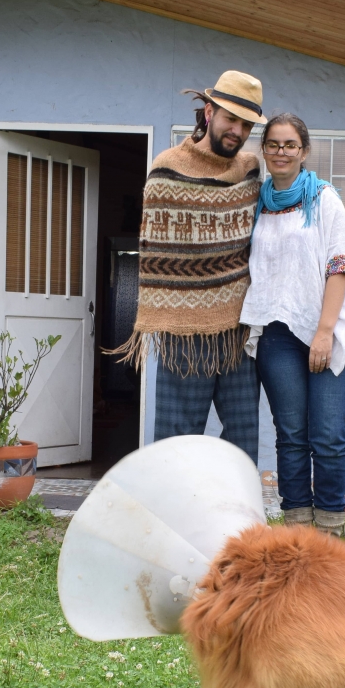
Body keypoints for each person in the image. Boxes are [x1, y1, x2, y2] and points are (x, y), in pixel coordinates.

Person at [113, 70, 265, 464]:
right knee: (176, 442)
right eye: (231, 118)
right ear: (209, 111)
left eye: (246, 124)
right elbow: (157, 251)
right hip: (184, 332)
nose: (237, 130)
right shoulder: (167, 167)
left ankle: (238, 522)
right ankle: (171, 520)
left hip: (240, 333)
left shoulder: (250, 170)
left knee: (244, 441)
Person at [240, 113, 345, 538]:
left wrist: (324, 332)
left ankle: (330, 530)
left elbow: (338, 268)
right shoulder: (256, 204)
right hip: (276, 334)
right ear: (264, 149)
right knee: (291, 435)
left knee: (327, 434)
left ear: (304, 151)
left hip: (324, 329)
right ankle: (298, 532)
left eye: (290, 145)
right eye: (273, 144)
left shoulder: (324, 199)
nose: (280, 152)